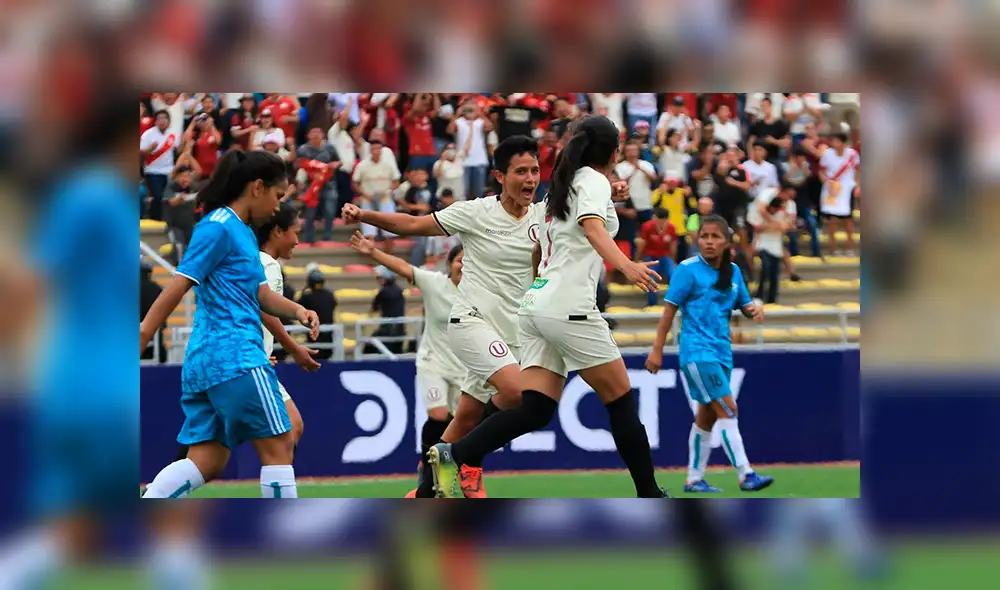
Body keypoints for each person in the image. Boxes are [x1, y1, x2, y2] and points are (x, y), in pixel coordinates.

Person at [428, 116, 669, 499]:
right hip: (569, 306)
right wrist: (626, 265)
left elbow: (545, 245)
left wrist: (610, 193)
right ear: (613, 151)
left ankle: (454, 453)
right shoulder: (590, 180)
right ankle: (650, 494)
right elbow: (591, 226)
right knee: (621, 400)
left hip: (536, 303)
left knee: (535, 409)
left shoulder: (564, 185)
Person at [342, 135, 546, 499]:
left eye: (534, 170)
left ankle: (422, 492)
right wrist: (365, 215)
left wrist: (613, 195)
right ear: (499, 175)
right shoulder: (475, 212)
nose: (530, 179)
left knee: (465, 418)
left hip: (512, 335)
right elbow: (412, 224)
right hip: (471, 323)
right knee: (518, 395)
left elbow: (585, 219)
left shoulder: (543, 217)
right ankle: (469, 461)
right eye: (520, 171)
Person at [140, 150, 320, 499]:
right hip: (235, 356)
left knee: (208, 460)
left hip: (208, 362)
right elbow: (179, 283)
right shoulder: (219, 227)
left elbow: (261, 294)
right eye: (278, 196)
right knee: (281, 443)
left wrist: (298, 310)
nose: (277, 206)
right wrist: (144, 333)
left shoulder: (240, 232)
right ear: (257, 187)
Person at [644, 215, 774, 493]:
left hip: (722, 352)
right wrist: (657, 350)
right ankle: (745, 473)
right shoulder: (687, 269)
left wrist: (755, 310)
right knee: (729, 408)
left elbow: (745, 304)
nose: (709, 242)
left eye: (716, 237)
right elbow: (669, 311)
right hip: (697, 352)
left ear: (727, 243)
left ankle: (694, 478)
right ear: (697, 239)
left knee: (707, 416)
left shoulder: (734, 271)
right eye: (705, 236)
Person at [351, 234, 469, 497]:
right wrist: (373, 252)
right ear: (449, 264)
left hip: (465, 368)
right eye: (459, 260)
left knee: (457, 423)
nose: (463, 265)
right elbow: (402, 267)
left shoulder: (480, 292)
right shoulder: (434, 283)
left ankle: (443, 469)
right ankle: (427, 469)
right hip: (433, 361)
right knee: (438, 415)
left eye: (468, 261)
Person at [256, 202, 322, 450]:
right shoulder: (268, 265)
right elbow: (262, 307)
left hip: (249, 361)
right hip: (248, 365)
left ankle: (161, 487)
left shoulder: (253, 261)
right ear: (278, 231)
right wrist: (293, 347)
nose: (297, 240)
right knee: (290, 429)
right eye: (295, 231)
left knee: (208, 444)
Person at [818, 132, 860, 256]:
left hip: (847, 188)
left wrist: (858, 185)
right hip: (832, 189)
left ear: (843, 142)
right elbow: (821, 171)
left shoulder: (852, 154)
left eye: (836, 141)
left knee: (848, 220)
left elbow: (858, 170)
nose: (834, 143)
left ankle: (850, 248)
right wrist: (826, 182)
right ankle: (833, 247)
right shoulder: (827, 154)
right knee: (833, 219)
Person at [296, 267, 337, 360]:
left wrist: (304, 289)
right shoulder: (329, 294)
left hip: (313, 337)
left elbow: (297, 307)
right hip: (328, 337)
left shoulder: (307, 296)